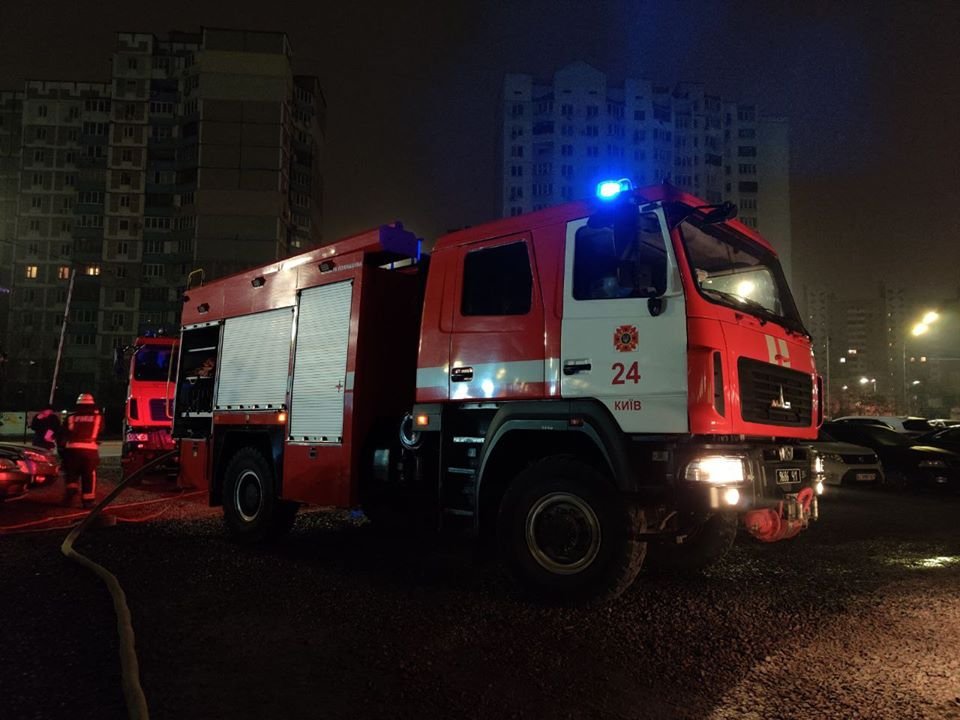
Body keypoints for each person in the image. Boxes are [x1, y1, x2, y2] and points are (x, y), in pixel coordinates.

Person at [61, 393, 102, 508]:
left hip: (72, 449)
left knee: (71, 473)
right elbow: (101, 430)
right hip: (89, 449)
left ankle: (70, 495)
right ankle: (88, 501)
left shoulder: (71, 417)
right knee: (89, 475)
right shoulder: (98, 417)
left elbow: (63, 432)